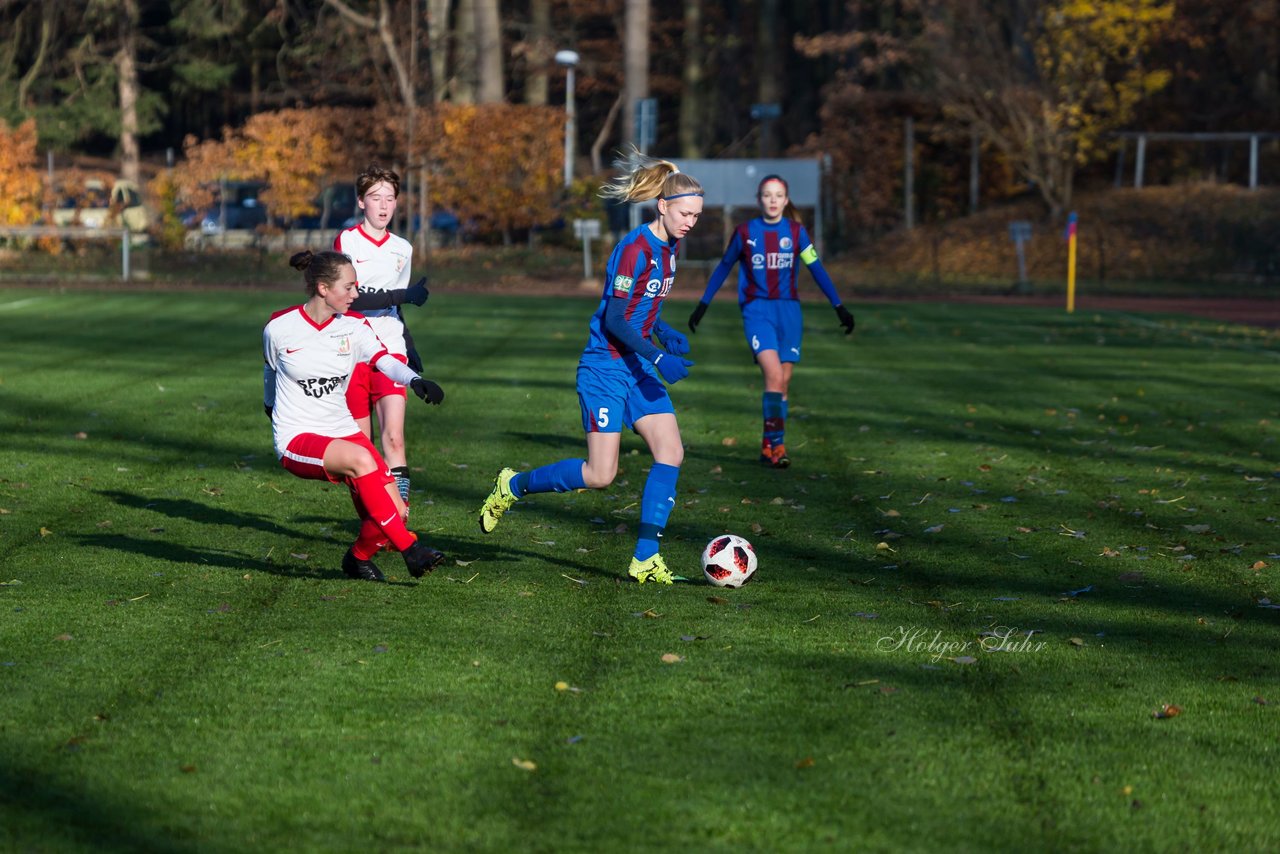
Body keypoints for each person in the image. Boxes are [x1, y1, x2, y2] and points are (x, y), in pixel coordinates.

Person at [477, 155, 703, 585]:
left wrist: (664, 331)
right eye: (685, 213)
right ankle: (513, 485)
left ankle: (645, 558)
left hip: (636, 365)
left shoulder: (670, 248)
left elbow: (640, 310)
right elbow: (615, 320)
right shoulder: (634, 249)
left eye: (696, 215)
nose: (691, 222)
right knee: (601, 475)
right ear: (662, 206)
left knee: (671, 452)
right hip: (605, 367)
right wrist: (658, 356)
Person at [263, 249, 447, 582]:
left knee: (396, 513)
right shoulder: (279, 327)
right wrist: (269, 407)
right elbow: (270, 372)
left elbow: (385, 360)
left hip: (342, 430)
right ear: (323, 289)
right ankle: (412, 551)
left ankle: (357, 559)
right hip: (297, 437)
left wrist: (415, 380)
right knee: (363, 459)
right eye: (348, 287)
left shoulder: (354, 327)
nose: (356, 294)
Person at [687, 174, 855, 468]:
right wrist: (703, 304)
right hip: (757, 311)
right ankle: (777, 448)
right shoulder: (744, 232)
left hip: (789, 312)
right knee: (774, 377)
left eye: (778, 195)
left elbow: (816, 269)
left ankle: (768, 445)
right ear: (759, 199)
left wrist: (838, 306)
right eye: (767, 195)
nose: (773, 200)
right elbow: (724, 266)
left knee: (783, 383)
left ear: (786, 200)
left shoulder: (796, 232)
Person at [334, 165, 429, 506]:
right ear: (361, 202)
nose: (384, 206)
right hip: (353, 351)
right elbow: (351, 298)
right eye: (376, 198)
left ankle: (399, 516)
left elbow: (394, 309)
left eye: (390, 198)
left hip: (390, 350)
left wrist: (410, 347)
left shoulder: (403, 248)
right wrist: (401, 296)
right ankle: (373, 516)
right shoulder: (347, 241)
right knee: (361, 448)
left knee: (394, 438)